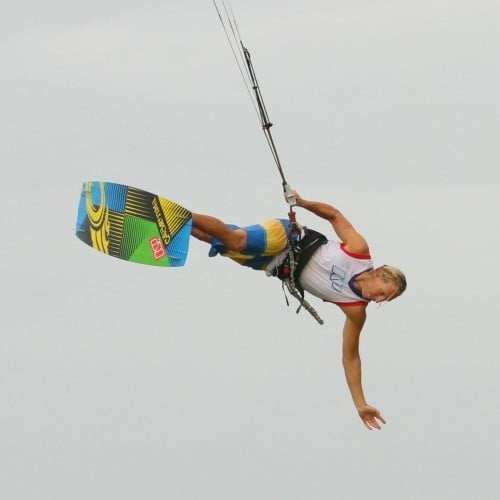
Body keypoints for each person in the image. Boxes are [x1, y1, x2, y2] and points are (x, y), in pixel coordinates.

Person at [191, 191, 407, 430]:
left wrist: (360, 403)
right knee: (235, 240)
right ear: (379, 274)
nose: (378, 299)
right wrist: (302, 203)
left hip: (271, 263)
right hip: (285, 237)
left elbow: (351, 357)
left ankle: (168, 223)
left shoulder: (356, 310)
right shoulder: (358, 251)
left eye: (384, 300)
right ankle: (182, 215)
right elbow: (334, 216)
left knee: (213, 239)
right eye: (382, 292)